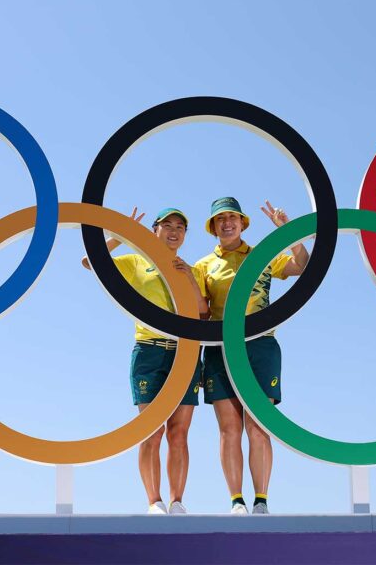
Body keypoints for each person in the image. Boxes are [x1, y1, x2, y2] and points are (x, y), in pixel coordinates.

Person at [81, 207, 208, 515]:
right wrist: (119, 237)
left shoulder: (192, 269)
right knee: (151, 429)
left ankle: (177, 501)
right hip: (149, 350)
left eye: (180, 226)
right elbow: (90, 263)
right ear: (155, 230)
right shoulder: (136, 262)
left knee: (179, 432)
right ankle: (154, 501)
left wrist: (189, 277)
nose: (174, 230)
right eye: (167, 225)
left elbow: (203, 312)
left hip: (186, 351)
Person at [195, 197, 309, 515]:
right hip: (220, 349)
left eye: (232, 217)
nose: (227, 223)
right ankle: (236, 502)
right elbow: (200, 312)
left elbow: (302, 266)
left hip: (261, 345)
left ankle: (261, 501)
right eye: (220, 219)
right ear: (214, 227)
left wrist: (288, 231)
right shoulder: (203, 266)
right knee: (229, 429)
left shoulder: (263, 255)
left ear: (243, 223)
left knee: (258, 426)